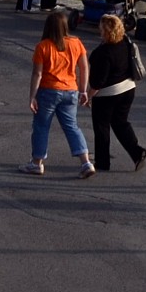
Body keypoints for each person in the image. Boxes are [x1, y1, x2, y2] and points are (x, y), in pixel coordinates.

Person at [24, 11, 92, 177]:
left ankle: (37, 163)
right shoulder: (76, 43)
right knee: (71, 126)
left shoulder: (43, 46)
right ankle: (86, 162)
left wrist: (32, 96)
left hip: (48, 91)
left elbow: (37, 74)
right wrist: (83, 90)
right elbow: (84, 67)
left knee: (41, 126)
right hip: (71, 90)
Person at [88, 14, 146, 172]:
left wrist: (89, 96)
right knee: (120, 123)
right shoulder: (125, 42)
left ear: (105, 31)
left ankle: (103, 162)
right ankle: (137, 152)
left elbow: (98, 82)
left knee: (102, 127)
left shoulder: (102, 53)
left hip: (108, 94)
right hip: (128, 89)